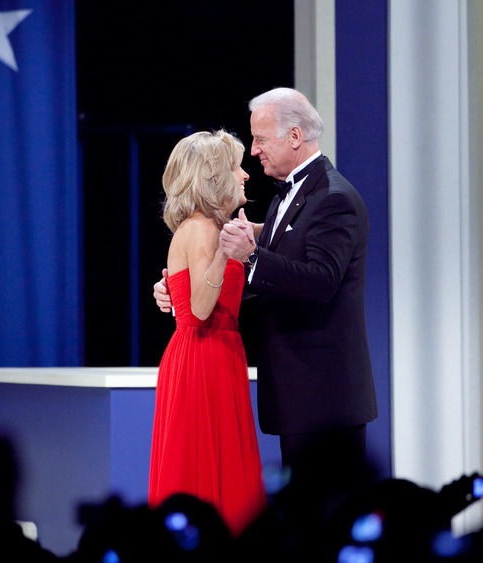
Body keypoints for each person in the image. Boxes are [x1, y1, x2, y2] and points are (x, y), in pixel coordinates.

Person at [154, 88, 377, 474]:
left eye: (260, 139)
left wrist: (248, 255)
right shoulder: (284, 198)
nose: (254, 152)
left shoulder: (333, 198)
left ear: (294, 137)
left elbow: (321, 281)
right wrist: (181, 289)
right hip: (293, 394)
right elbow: (269, 275)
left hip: (324, 397)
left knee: (328, 518)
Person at [148, 130, 265, 536]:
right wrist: (223, 255)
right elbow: (199, 310)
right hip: (203, 355)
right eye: (237, 167)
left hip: (217, 353)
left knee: (220, 470)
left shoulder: (212, 227)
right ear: (215, 177)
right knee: (203, 472)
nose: (245, 175)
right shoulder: (201, 230)